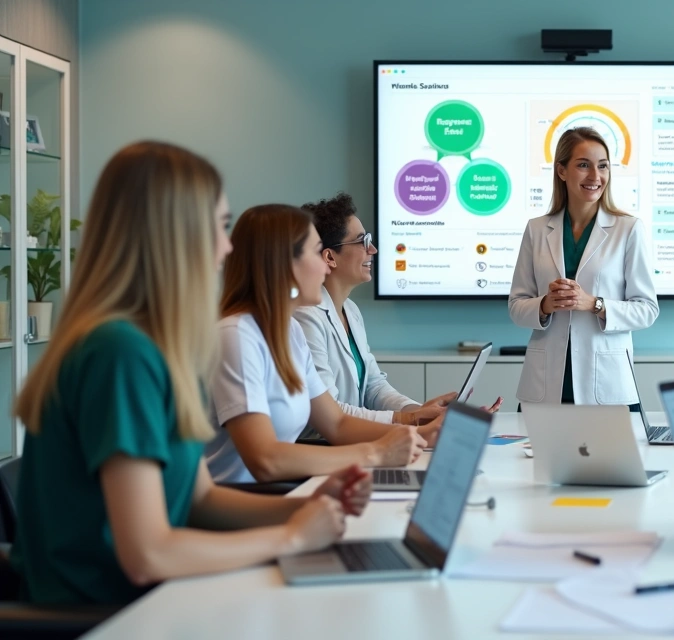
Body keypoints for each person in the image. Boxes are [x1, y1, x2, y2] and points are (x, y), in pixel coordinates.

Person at [10, 142, 369, 606]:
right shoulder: (118, 353)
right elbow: (148, 553)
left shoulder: (155, 348)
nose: (227, 246)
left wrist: (309, 508)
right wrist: (292, 538)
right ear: (172, 235)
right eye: (220, 226)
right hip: (115, 617)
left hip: (163, 597)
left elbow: (201, 500)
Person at [205, 204, 424, 484]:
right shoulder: (236, 336)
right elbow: (265, 460)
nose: (324, 264)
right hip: (244, 502)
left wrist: (422, 432)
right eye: (315, 251)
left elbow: (337, 424)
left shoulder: (290, 331)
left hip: (281, 489)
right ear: (284, 263)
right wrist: (377, 453)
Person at [294, 192, 500, 427]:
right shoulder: (306, 317)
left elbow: (374, 386)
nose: (373, 250)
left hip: (349, 441)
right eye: (362, 241)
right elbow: (331, 412)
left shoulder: (350, 310)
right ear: (330, 257)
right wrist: (411, 419)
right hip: (319, 447)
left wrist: (422, 412)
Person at [508, 127, 659, 407]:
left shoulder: (628, 229)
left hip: (606, 385)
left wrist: (595, 304)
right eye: (583, 165)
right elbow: (517, 306)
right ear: (561, 171)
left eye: (602, 166)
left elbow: (647, 310)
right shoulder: (537, 229)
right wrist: (545, 305)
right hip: (545, 385)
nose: (595, 176)